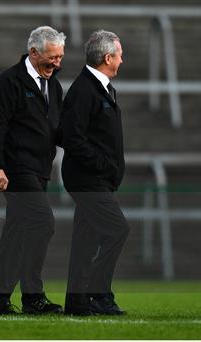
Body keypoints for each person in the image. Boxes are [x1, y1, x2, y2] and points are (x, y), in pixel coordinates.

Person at [0, 26, 66, 315]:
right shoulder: (7, 83)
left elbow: (57, 130)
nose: (57, 63)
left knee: (16, 234)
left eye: (60, 57)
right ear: (33, 52)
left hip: (40, 171)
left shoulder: (54, 86)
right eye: (52, 57)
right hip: (16, 170)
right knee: (43, 222)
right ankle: (33, 296)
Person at [59, 29, 129, 316]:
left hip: (96, 178)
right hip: (87, 179)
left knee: (85, 241)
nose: (122, 61)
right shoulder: (85, 89)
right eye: (120, 56)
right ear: (108, 57)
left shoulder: (101, 87)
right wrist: (104, 165)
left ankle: (76, 301)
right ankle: (98, 293)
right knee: (117, 230)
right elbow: (71, 137)